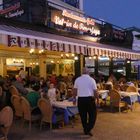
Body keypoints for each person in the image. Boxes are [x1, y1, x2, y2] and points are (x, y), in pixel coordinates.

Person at [73, 67, 99, 136]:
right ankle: (88, 129)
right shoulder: (91, 80)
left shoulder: (77, 79)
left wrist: (74, 99)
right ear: (88, 72)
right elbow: (95, 91)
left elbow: (74, 91)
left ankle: (86, 129)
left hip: (80, 100)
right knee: (93, 115)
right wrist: (98, 100)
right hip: (89, 99)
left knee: (83, 116)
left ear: (82, 72)